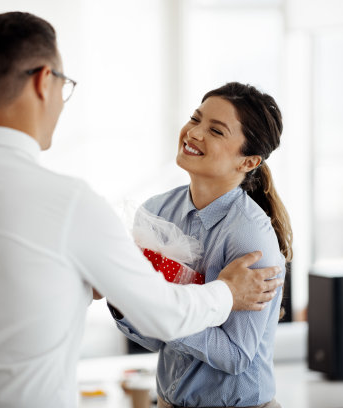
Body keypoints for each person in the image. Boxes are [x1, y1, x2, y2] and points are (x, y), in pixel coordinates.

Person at [0, 12, 284, 408]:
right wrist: (226, 292)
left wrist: (97, 286)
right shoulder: (69, 203)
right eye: (64, 86)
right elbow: (162, 315)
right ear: (42, 81)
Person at [110, 82, 292, 408]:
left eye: (216, 131)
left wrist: (163, 312)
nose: (194, 133)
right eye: (196, 118)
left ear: (248, 162)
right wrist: (121, 299)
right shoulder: (155, 212)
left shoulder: (251, 238)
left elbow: (236, 356)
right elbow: (153, 340)